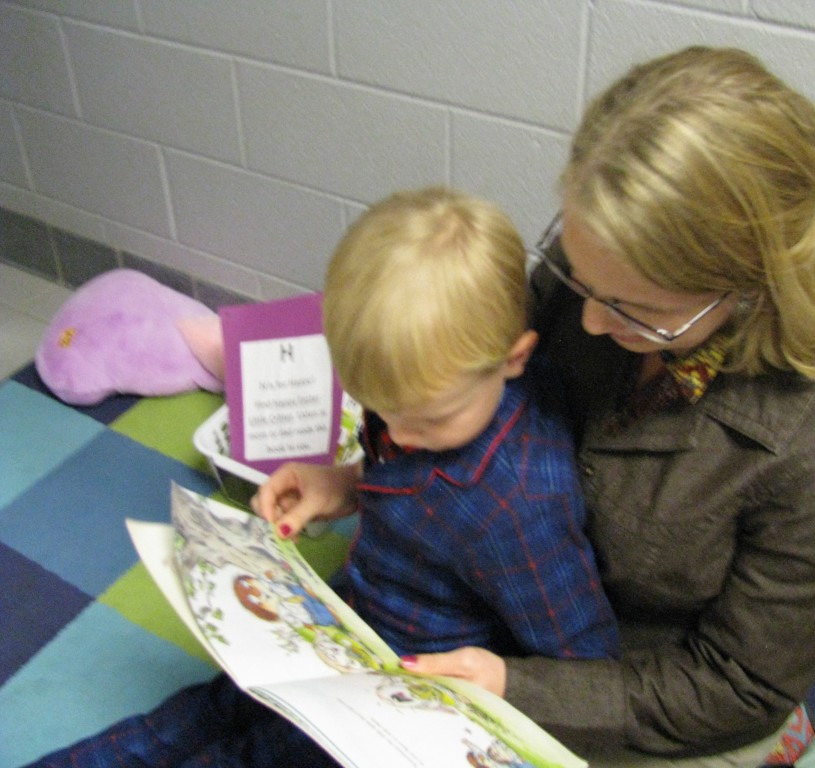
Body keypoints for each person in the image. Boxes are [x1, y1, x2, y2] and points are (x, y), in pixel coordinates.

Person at [262, 47, 815, 767]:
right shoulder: (608, 265)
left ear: (744, 283)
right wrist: (353, 481)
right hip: (501, 613)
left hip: (647, 691)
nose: (588, 322)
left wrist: (519, 689)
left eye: (634, 309)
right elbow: (472, 400)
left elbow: (738, 688)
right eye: (578, 275)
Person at [25, 186, 618, 768]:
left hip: (395, 696)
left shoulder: (519, 503)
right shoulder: (445, 394)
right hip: (349, 617)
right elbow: (413, 470)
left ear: (515, 358)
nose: (401, 435)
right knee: (203, 709)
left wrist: (505, 681)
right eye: (381, 409)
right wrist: (347, 481)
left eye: (429, 420)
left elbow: (585, 657)